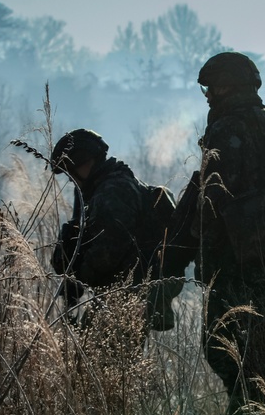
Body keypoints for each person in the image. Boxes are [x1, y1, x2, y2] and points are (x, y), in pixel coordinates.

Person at [152, 51, 265, 415]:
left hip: (235, 266)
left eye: (214, 88)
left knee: (224, 349)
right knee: (256, 356)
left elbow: (206, 198)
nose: (209, 95)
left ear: (231, 87)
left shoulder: (227, 131)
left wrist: (178, 253)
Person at [50, 128, 173, 327]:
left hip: (125, 299)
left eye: (71, 170)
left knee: (103, 357)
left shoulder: (112, 191)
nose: (71, 178)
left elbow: (108, 252)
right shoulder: (107, 186)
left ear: (86, 161)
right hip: (122, 296)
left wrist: (77, 276)